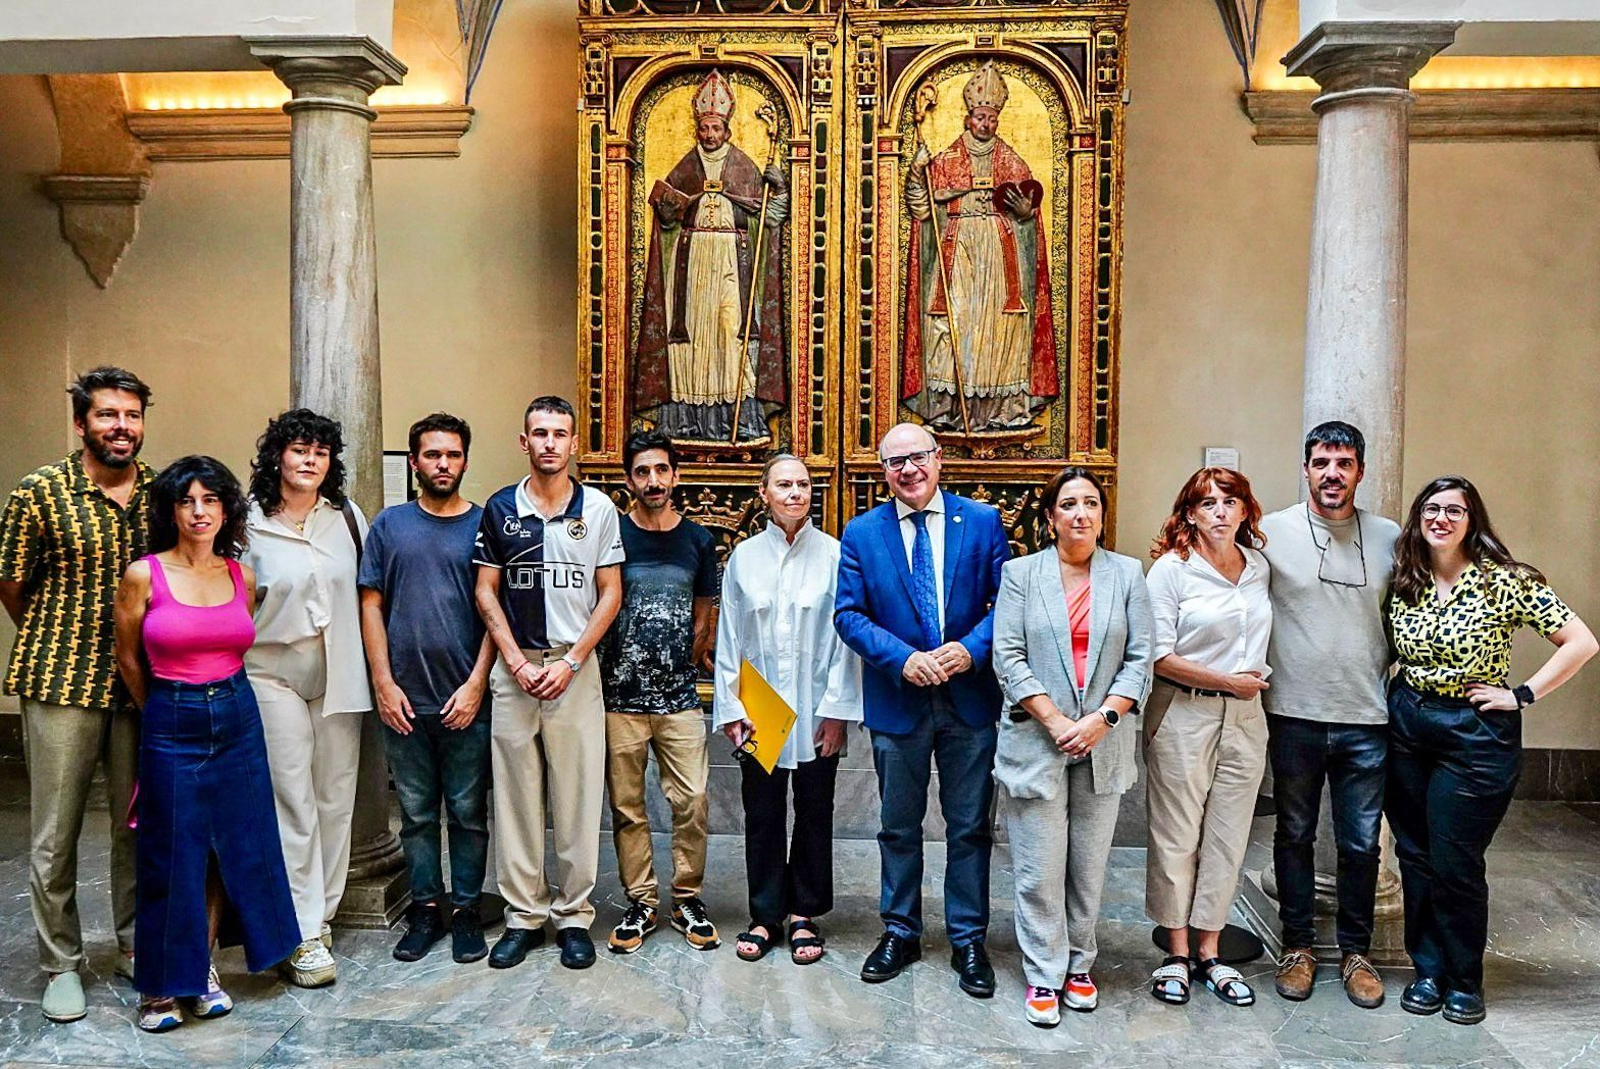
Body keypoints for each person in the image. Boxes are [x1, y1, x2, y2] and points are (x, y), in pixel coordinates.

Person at [1386, 475, 1596, 1026]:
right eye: (1431, 509)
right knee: (1415, 854)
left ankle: (1463, 980)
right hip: (1409, 722)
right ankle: (1427, 971)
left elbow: (1581, 641)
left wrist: (1521, 694)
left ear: (1472, 520)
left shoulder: (1505, 580)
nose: (1440, 519)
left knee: (1455, 860)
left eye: (1453, 511)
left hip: (1474, 732)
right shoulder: (1405, 577)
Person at [112, 456, 300, 1032]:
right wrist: (163, 710)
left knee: (233, 845)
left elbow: (237, 640)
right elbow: (128, 658)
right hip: (172, 717)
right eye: (187, 501)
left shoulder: (240, 576)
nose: (199, 511)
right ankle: (162, 986)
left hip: (238, 714)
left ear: (226, 510)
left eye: (211, 500)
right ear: (170, 510)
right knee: (172, 849)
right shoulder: (144, 575)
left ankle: (203, 970)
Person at [835, 422, 1009, 997]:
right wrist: (903, 659)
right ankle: (900, 931)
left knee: (970, 828)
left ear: (939, 459)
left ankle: (968, 939)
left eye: (918, 457)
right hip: (899, 699)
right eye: (895, 462)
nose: (908, 469)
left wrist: (971, 649)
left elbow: (1006, 602)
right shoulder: (862, 533)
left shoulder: (981, 521)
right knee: (897, 827)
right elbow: (849, 615)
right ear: (883, 471)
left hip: (968, 700)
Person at [0, 366, 151, 1022]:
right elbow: (11, 583)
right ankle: (60, 963)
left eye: (132, 415)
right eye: (108, 414)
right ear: (81, 422)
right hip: (59, 679)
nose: (121, 426)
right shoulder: (39, 491)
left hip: (139, 684)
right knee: (55, 830)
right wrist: (55, 633)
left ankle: (136, 943)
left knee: (137, 823)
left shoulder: (161, 493)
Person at [991, 466, 1153, 1027]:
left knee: (1087, 867)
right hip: (1037, 740)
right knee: (1038, 869)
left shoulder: (1128, 574)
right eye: (1068, 504)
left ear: (1102, 515)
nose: (1080, 513)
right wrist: (1058, 720)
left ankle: (1080, 965)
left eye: (1090, 503)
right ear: (1050, 516)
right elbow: (1007, 656)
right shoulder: (1020, 574)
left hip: (1103, 743)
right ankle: (1043, 972)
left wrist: (1101, 720)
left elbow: (1140, 660)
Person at [474, 396, 624, 971]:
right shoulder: (500, 508)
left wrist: (573, 661)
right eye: (540, 433)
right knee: (515, 798)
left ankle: (574, 916)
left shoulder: (599, 509)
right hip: (516, 671)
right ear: (524, 442)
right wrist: (514, 662)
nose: (550, 444)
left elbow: (610, 592)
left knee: (578, 796)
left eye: (560, 434)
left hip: (573, 670)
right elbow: (486, 590)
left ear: (574, 443)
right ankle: (523, 917)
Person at [1258, 422, 1399, 1009]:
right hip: (1293, 714)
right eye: (1321, 463)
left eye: (1343, 463)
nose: (1332, 474)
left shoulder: (1391, 538)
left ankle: (1356, 953)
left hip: (1367, 716)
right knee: (1293, 833)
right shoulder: (1269, 533)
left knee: (1361, 844)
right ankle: (1297, 947)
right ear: (1306, 469)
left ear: (1360, 471)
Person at [714, 455, 862, 965]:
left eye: (802, 484)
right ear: (764, 493)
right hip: (760, 707)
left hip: (818, 703)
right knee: (763, 812)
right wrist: (731, 707)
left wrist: (838, 712)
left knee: (816, 809)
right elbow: (729, 636)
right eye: (784, 484)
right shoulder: (744, 558)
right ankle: (765, 914)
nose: (795, 493)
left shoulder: (835, 555)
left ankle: (804, 913)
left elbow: (846, 640)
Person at [241, 409, 371, 988]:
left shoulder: (346, 517)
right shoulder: (246, 521)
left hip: (339, 669)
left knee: (334, 798)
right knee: (291, 799)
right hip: (272, 672)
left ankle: (323, 913)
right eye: (299, 449)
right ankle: (301, 930)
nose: (309, 460)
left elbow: (367, 595)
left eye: (320, 451)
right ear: (277, 456)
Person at [358, 413, 495, 965]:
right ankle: (425, 909)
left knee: (467, 813)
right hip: (404, 701)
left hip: (466, 700)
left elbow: (496, 614)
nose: (443, 464)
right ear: (414, 461)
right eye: (433, 454)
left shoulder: (485, 525)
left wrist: (477, 684)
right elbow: (371, 605)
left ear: (465, 461)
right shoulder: (389, 526)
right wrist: (383, 683)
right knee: (415, 814)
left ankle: (466, 911)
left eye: (453, 455)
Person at [1143, 466, 1272, 1008]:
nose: (1220, 511)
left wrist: (1241, 690)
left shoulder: (1258, 566)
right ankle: (1175, 953)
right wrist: (1227, 681)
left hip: (1246, 717)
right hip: (1185, 711)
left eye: (1230, 501)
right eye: (1207, 503)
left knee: (1228, 834)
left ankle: (1211, 952)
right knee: (1177, 834)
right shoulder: (1171, 570)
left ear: (1245, 510)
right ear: (1190, 514)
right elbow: (1158, 655)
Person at [600, 431, 721, 955]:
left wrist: (681, 666)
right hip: (619, 699)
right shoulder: (611, 535)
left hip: (679, 699)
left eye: (661, 470)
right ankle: (642, 901)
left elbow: (703, 617)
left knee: (692, 800)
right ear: (629, 479)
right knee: (628, 806)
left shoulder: (697, 540)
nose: (653, 481)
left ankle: (687, 897)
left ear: (675, 475)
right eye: (642, 472)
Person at [635, 68, 789, 443]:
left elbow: (770, 216)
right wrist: (670, 205)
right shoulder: (686, 166)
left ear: (727, 131)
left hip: (732, 263)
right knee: (692, 340)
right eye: (704, 128)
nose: (709, 134)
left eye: (716, 128)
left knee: (730, 333)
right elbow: (666, 215)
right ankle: (685, 421)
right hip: (692, 264)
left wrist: (779, 187)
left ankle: (739, 419)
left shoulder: (743, 166)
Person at [902, 61, 1057, 433]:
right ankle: (950, 409)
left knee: (1002, 329)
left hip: (1000, 255)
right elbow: (921, 209)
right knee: (951, 325)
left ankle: (1004, 410)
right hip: (958, 253)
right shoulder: (945, 161)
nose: (985, 124)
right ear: (967, 119)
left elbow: (1028, 214)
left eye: (991, 118)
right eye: (979, 117)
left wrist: (1025, 213)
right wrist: (917, 171)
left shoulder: (1011, 161)